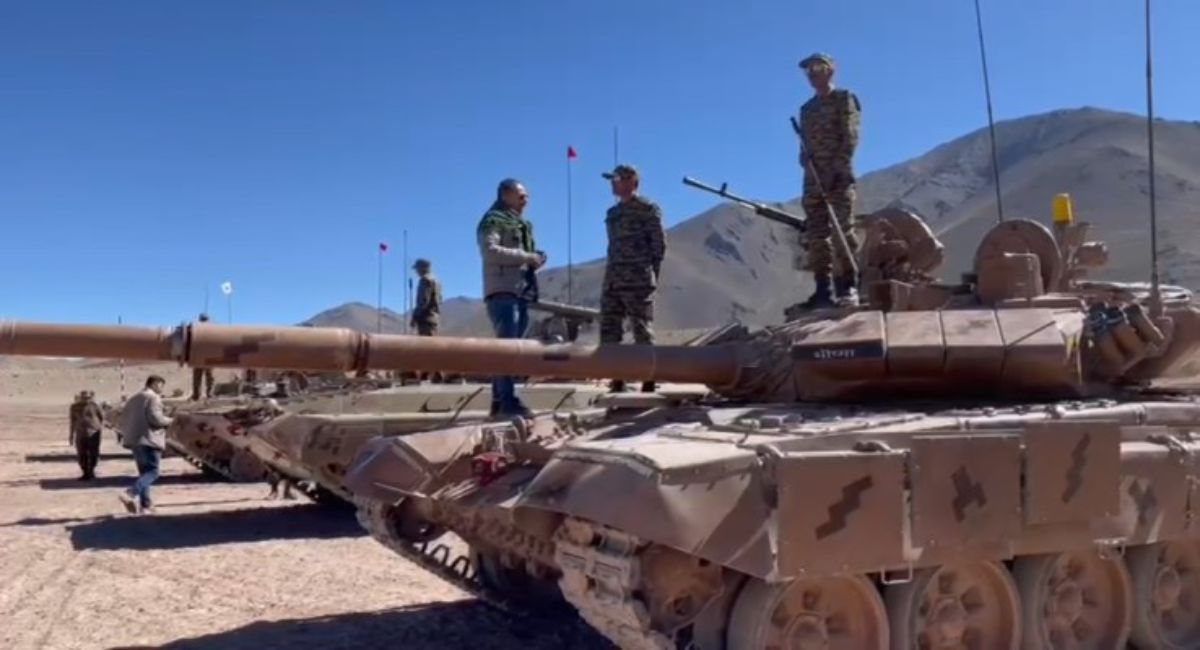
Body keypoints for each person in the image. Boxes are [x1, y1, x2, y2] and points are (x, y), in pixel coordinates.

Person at [797, 52, 862, 308]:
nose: (813, 74)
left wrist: (836, 170)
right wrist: (804, 160)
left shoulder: (843, 99)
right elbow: (805, 145)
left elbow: (850, 138)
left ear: (830, 70)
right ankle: (822, 290)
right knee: (816, 234)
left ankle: (849, 285)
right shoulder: (807, 109)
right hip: (813, 178)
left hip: (838, 176)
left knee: (842, 230)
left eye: (817, 68)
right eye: (809, 71)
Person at [476, 178, 546, 416]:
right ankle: (507, 401)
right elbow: (490, 251)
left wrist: (534, 259)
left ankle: (499, 400)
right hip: (503, 290)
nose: (526, 200)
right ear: (506, 194)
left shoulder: (521, 224)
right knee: (507, 349)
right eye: (521, 195)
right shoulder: (493, 220)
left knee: (514, 349)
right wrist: (525, 256)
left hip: (521, 291)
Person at [600, 164, 666, 393]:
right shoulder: (613, 214)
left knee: (641, 329)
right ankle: (616, 378)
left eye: (616, 179)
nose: (612, 183)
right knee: (609, 330)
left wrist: (650, 273)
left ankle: (648, 379)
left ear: (631, 182)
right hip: (614, 278)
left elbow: (658, 245)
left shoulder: (647, 209)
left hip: (637, 277)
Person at [118, 375, 173, 514]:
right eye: (160, 385)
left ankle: (146, 505)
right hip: (150, 439)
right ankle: (130, 493)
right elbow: (156, 419)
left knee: (144, 473)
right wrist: (171, 420)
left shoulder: (133, 398)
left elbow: (123, 418)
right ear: (154, 384)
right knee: (153, 472)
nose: (161, 389)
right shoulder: (153, 398)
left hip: (135, 440)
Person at [68, 389, 105, 480]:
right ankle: (85, 472)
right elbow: (73, 421)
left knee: (93, 453)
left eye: (88, 398)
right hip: (81, 433)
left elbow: (102, 418)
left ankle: (91, 471)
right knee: (81, 453)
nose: (86, 399)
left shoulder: (95, 406)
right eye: (84, 398)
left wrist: (97, 428)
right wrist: (71, 435)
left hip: (93, 433)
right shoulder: (75, 407)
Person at [410, 259, 442, 336]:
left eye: (417, 268)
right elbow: (440, 300)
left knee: (426, 345)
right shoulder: (436, 281)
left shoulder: (425, 280)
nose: (416, 271)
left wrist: (415, 317)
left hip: (426, 319)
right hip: (434, 318)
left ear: (422, 268)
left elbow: (423, 301)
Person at [191, 313, 215, 400]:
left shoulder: (197, 328)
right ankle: (207, 394)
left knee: (200, 377)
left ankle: (198, 395)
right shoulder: (211, 329)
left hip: (200, 356)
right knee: (208, 377)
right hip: (206, 356)